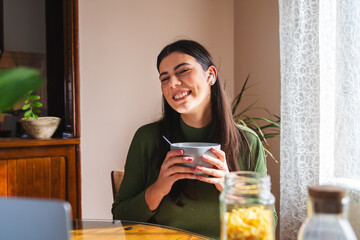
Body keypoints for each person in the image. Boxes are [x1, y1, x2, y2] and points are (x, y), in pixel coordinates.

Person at [112, 39, 276, 239]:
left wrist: (231, 188)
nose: (172, 83)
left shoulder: (247, 142)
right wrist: (159, 188)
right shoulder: (146, 138)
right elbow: (121, 216)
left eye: (182, 71)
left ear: (211, 76)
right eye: (165, 78)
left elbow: (267, 226)